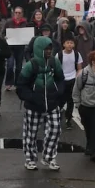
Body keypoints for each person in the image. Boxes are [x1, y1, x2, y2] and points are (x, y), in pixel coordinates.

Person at [16, 36, 66, 171]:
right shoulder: (29, 65)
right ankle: (30, 159)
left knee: (55, 129)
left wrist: (58, 93)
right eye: (46, 49)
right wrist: (31, 97)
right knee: (30, 133)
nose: (49, 51)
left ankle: (49, 157)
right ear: (39, 49)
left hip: (52, 103)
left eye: (50, 49)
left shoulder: (54, 62)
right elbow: (21, 86)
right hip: (33, 106)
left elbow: (61, 79)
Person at [58, 32, 83, 131]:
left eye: (71, 43)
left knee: (71, 101)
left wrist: (77, 77)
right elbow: (57, 68)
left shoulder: (77, 54)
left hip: (72, 80)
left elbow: (79, 68)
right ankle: (57, 118)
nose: (69, 45)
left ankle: (68, 120)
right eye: (67, 43)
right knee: (60, 101)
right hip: (62, 80)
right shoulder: (59, 55)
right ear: (64, 44)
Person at [4, 7, 28, 91]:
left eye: (19, 13)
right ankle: (8, 82)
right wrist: (5, 37)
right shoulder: (9, 22)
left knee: (19, 66)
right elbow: (3, 33)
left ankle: (17, 82)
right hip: (10, 47)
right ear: (14, 13)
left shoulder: (25, 23)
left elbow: (27, 34)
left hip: (20, 47)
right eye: (16, 12)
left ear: (22, 14)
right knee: (10, 65)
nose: (17, 14)